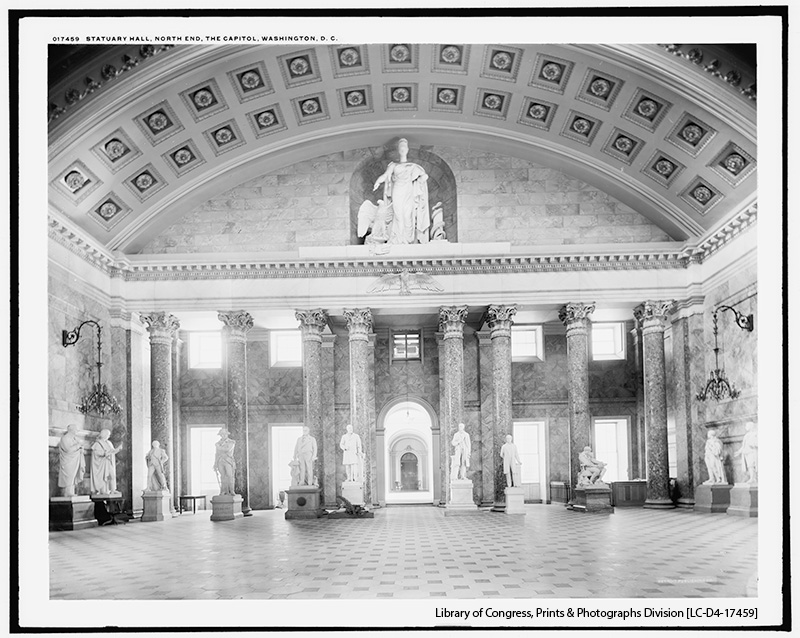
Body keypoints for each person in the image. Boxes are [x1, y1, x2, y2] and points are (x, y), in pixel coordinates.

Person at [372, 137, 431, 245]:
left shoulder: (413, 166)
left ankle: (408, 239)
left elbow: (424, 176)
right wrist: (378, 182)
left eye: (404, 147)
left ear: (407, 149)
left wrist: (422, 179)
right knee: (398, 214)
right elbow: (385, 175)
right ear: (398, 150)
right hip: (397, 190)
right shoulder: (393, 165)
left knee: (408, 215)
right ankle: (398, 238)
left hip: (409, 191)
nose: (402, 149)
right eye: (401, 147)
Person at [90, 429, 122, 495]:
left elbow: (112, 451)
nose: (109, 436)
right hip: (102, 464)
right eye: (108, 434)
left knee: (112, 476)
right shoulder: (97, 443)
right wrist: (105, 453)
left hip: (108, 462)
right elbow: (97, 453)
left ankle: (113, 490)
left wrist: (118, 449)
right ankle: (102, 490)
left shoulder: (109, 443)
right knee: (103, 477)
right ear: (104, 435)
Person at [57, 424, 85, 497]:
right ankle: (67, 492)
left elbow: (79, 447)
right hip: (67, 461)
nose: (77, 431)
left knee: (73, 476)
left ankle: (71, 492)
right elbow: (68, 450)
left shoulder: (74, 439)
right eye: (76, 430)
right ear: (72, 430)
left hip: (75, 460)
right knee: (69, 475)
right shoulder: (65, 438)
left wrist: (81, 449)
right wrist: (78, 446)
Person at [214, 428, 236, 495]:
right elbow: (217, 454)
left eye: (224, 434)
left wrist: (219, 447)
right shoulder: (218, 443)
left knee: (230, 476)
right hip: (220, 461)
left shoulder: (231, 442)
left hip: (228, 461)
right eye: (222, 434)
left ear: (227, 434)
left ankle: (231, 490)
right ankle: (223, 491)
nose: (223, 435)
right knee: (222, 476)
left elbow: (228, 450)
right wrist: (215, 463)